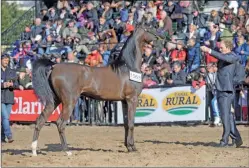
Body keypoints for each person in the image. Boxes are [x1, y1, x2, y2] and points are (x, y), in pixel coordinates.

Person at [200, 40, 243, 148]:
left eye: (222, 47)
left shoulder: (233, 56)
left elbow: (223, 57)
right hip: (222, 89)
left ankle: (225, 141)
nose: (220, 49)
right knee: (227, 116)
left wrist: (209, 50)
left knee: (225, 117)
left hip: (226, 90)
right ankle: (236, 139)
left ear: (228, 48)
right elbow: (220, 57)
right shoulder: (226, 56)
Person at [1, 54, 23, 143]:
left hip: (9, 97)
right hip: (1, 97)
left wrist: (13, 85)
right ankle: (9, 135)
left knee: (5, 118)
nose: (6, 61)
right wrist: (3, 85)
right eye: (4, 60)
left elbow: (16, 84)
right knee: (5, 117)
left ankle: (2, 137)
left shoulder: (12, 71)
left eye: (7, 60)